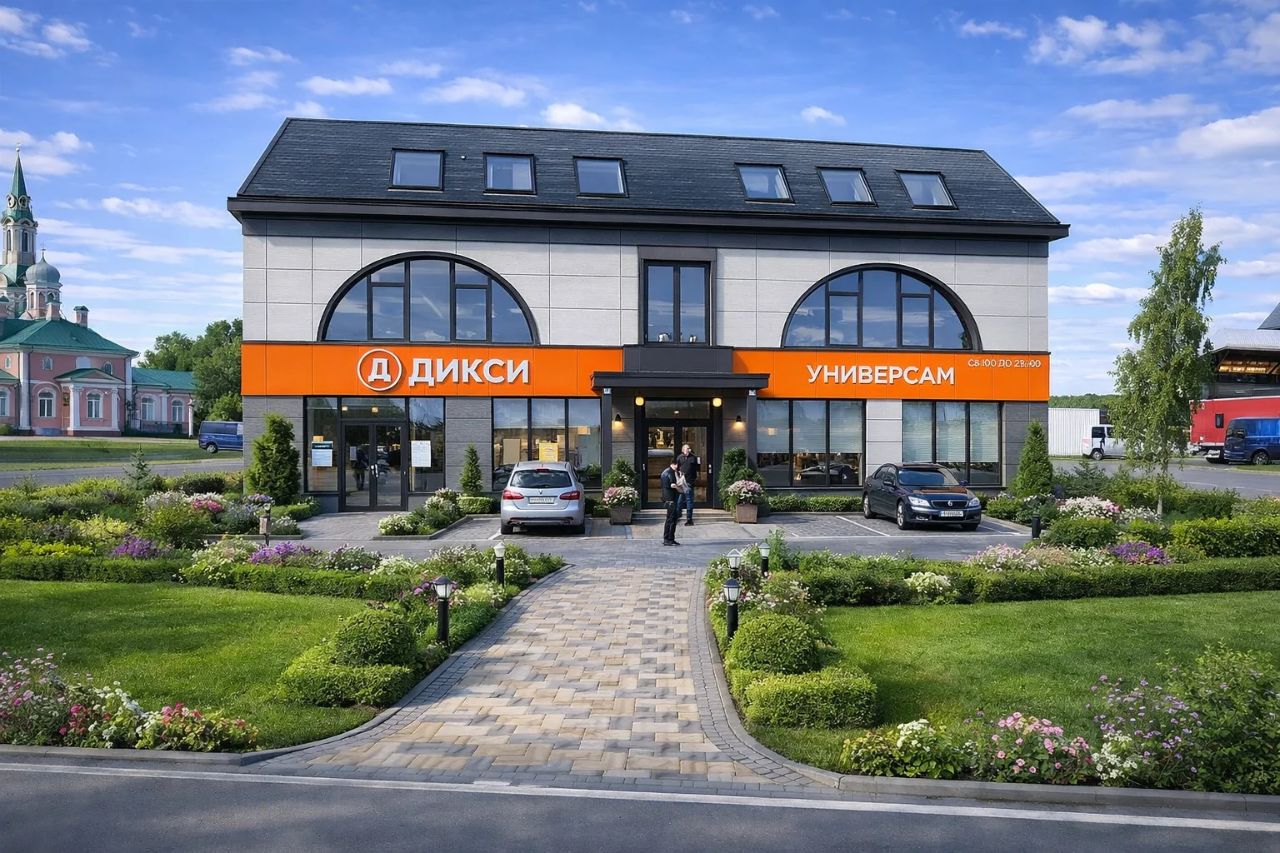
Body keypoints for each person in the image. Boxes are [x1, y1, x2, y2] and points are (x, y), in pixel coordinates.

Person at [675, 443, 700, 525]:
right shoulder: (679, 457)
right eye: (686, 448)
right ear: (683, 450)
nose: (688, 450)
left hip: (689, 482)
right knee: (680, 500)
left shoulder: (693, 458)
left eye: (689, 448)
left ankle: (689, 519)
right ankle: (677, 516)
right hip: (681, 482)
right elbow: (677, 468)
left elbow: (697, 469)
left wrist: (694, 479)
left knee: (689, 500)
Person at [659, 459, 682, 546]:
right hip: (671, 498)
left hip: (668, 497)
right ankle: (668, 538)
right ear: (674, 464)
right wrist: (679, 488)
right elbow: (672, 484)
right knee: (671, 519)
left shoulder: (665, 472)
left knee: (670, 518)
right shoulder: (670, 472)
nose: (678, 467)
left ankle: (669, 538)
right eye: (678, 465)